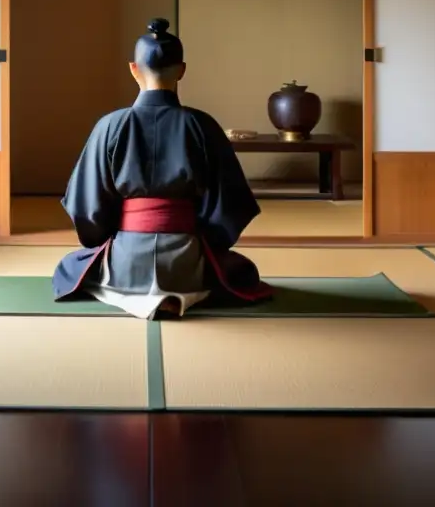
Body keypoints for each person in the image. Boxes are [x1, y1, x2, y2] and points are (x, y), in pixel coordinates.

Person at [51, 17, 274, 319]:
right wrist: (204, 240)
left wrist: (111, 235)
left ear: (133, 69)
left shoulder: (110, 126)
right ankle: (179, 291)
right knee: (242, 272)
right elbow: (229, 205)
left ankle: (136, 291)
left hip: (126, 260)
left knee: (68, 267)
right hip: (186, 260)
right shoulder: (202, 126)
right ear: (182, 70)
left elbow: (88, 206)